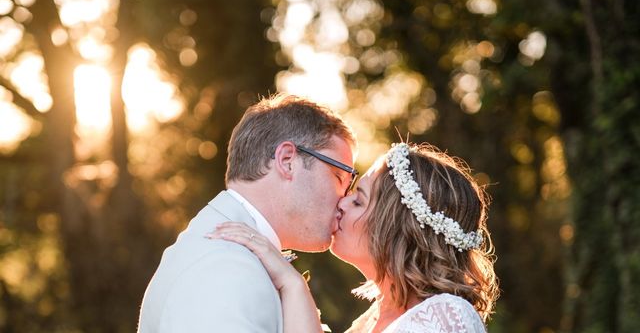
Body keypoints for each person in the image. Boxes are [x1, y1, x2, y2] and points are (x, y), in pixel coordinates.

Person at [210, 142, 499, 333]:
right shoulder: (369, 320)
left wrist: (292, 284)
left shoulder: (447, 318)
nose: (342, 203)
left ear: (395, 228)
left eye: (358, 201)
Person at [137, 94, 357, 333]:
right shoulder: (224, 268)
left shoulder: (230, 253)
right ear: (287, 161)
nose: (345, 199)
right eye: (340, 178)